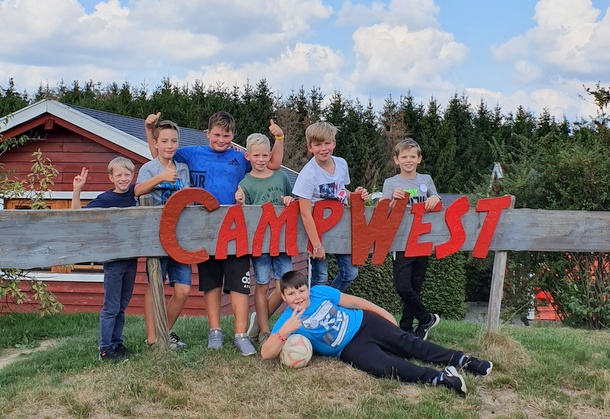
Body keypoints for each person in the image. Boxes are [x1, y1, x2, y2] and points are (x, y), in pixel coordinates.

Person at [145, 111, 284, 356]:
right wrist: (149, 130)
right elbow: (160, 155)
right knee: (211, 283)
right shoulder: (192, 153)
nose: (221, 140)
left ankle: (241, 335)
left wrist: (278, 140)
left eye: (226, 135)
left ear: (233, 136)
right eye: (217, 135)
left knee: (240, 284)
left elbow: (272, 164)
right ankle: (215, 332)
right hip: (203, 230)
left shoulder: (240, 158)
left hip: (235, 229)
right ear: (207, 134)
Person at [261, 271, 493, 396]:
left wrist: (383, 313)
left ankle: (465, 360)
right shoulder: (287, 320)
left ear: (308, 288)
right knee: (384, 366)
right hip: (347, 348)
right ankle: (441, 378)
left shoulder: (321, 292)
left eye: (301, 291)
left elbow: (354, 302)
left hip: (364, 323)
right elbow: (265, 353)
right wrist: (284, 333)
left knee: (408, 343)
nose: (298, 297)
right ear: (283, 297)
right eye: (291, 294)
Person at [72, 157, 138, 362]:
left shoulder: (137, 194)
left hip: (131, 258)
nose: (123, 178)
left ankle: (117, 343)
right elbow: (78, 217)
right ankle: (105, 348)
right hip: (113, 260)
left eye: (127, 174)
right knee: (111, 307)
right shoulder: (106, 198)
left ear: (132, 176)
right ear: (111, 177)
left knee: (122, 305)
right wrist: (77, 190)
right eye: (119, 175)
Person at [136, 119, 192, 350]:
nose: (170, 145)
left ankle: (164, 332)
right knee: (155, 285)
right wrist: (160, 178)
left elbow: (187, 196)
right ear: (156, 143)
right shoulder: (148, 169)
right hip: (156, 234)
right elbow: (137, 191)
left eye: (174, 141)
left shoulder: (183, 169)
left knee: (183, 289)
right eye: (165, 141)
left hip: (179, 235)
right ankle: (152, 339)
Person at [291, 121, 368, 291]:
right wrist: (316, 245)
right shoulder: (307, 175)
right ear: (310, 147)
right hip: (317, 229)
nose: (323, 148)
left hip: (339, 224)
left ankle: (329, 302)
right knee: (321, 276)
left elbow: (340, 190)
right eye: (318, 145)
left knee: (350, 272)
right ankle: (315, 313)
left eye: (327, 143)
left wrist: (356, 194)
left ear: (334, 143)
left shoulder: (341, 164)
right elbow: (304, 213)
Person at [234, 132, 294, 348]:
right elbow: (245, 215)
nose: (261, 160)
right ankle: (264, 331)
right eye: (256, 155)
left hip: (282, 241)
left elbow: (292, 201)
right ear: (248, 156)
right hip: (260, 243)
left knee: (285, 285)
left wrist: (290, 200)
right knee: (261, 284)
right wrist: (240, 203)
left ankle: (283, 326)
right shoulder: (246, 182)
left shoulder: (281, 177)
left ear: (270, 155)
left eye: (265, 155)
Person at [382, 138, 442, 340]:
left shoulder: (425, 180)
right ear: (396, 160)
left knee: (415, 287)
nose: (408, 160)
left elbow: (437, 199)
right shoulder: (391, 183)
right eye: (404, 157)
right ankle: (426, 319)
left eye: (412, 156)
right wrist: (392, 201)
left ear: (419, 159)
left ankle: (407, 329)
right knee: (402, 286)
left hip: (423, 239)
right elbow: (382, 211)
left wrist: (435, 198)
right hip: (401, 241)